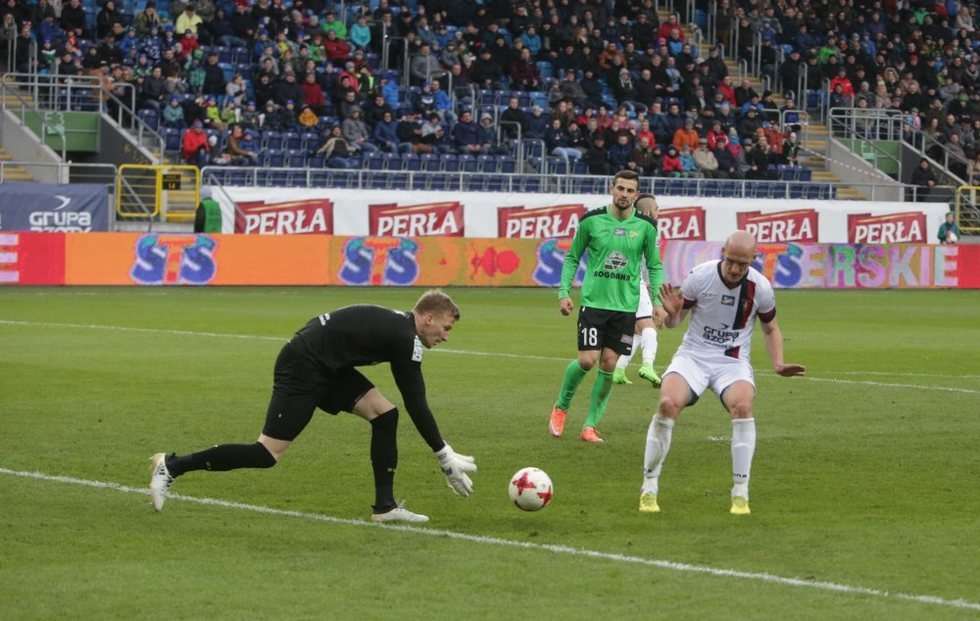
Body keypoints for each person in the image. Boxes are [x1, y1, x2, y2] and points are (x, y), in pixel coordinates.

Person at [149, 290, 478, 523]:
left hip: (328, 366)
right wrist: (443, 455)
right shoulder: (405, 338)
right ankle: (172, 465)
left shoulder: (403, 330)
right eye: (446, 328)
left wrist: (442, 452)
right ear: (428, 318)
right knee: (266, 454)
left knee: (385, 415)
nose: (446, 336)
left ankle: (385, 507)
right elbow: (417, 401)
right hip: (303, 366)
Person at [639, 231, 805, 516]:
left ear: (753, 260)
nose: (735, 268)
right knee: (667, 405)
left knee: (743, 406)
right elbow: (677, 321)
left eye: (743, 263)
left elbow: (770, 327)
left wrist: (778, 363)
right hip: (693, 355)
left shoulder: (760, 288)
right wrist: (670, 313)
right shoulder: (700, 277)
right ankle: (649, 486)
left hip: (732, 361)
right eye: (731, 261)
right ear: (723, 253)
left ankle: (740, 493)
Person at [548, 170, 665, 444]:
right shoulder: (592, 221)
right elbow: (572, 257)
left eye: (630, 190)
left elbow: (655, 265)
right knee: (588, 360)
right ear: (612, 189)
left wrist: (657, 300)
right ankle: (561, 407)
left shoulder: (646, 227)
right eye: (620, 189)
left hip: (625, 307)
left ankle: (590, 425)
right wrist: (564, 292)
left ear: (636, 195)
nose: (624, 194)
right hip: (594, 303)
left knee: (610, 364)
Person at [612, 194, 667, 387]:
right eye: (657, 208)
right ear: (647, 211)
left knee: (634, 330)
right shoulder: (647, 229)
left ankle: (619, 369)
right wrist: (656, 299)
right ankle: (648, 365)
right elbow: (652, 266)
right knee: (649, 326)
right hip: (635, 283)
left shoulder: (628, 226)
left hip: (621, 284)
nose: (659, 212)